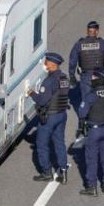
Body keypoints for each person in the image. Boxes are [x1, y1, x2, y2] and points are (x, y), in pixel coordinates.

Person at [28, 52, 70, 183]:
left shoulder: (48, 81)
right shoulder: (64, 78)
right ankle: (63, 171)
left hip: (49, 116)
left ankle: (47, 172)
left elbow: (41, 101)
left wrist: (32, 93)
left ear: (52, 64)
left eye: (46, 62)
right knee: (59, 143)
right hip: (61, 114)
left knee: (41, 144)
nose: (44, 64)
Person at [78, 69, 104, 197]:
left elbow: (82, 113)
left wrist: (80, 128)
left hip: (94, 130)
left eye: (93, 79)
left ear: (96, 80)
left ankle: (92, 187)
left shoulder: (91, 95)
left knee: (92, 159)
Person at [69, 21, 104, 102]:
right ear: (97, 31)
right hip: (100, 76)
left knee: (86, 100)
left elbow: (72, 62)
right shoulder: (103, 44)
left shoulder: (79, 44)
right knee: (99, 98)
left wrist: (72, 76)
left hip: (85, 76)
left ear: (87, 31)